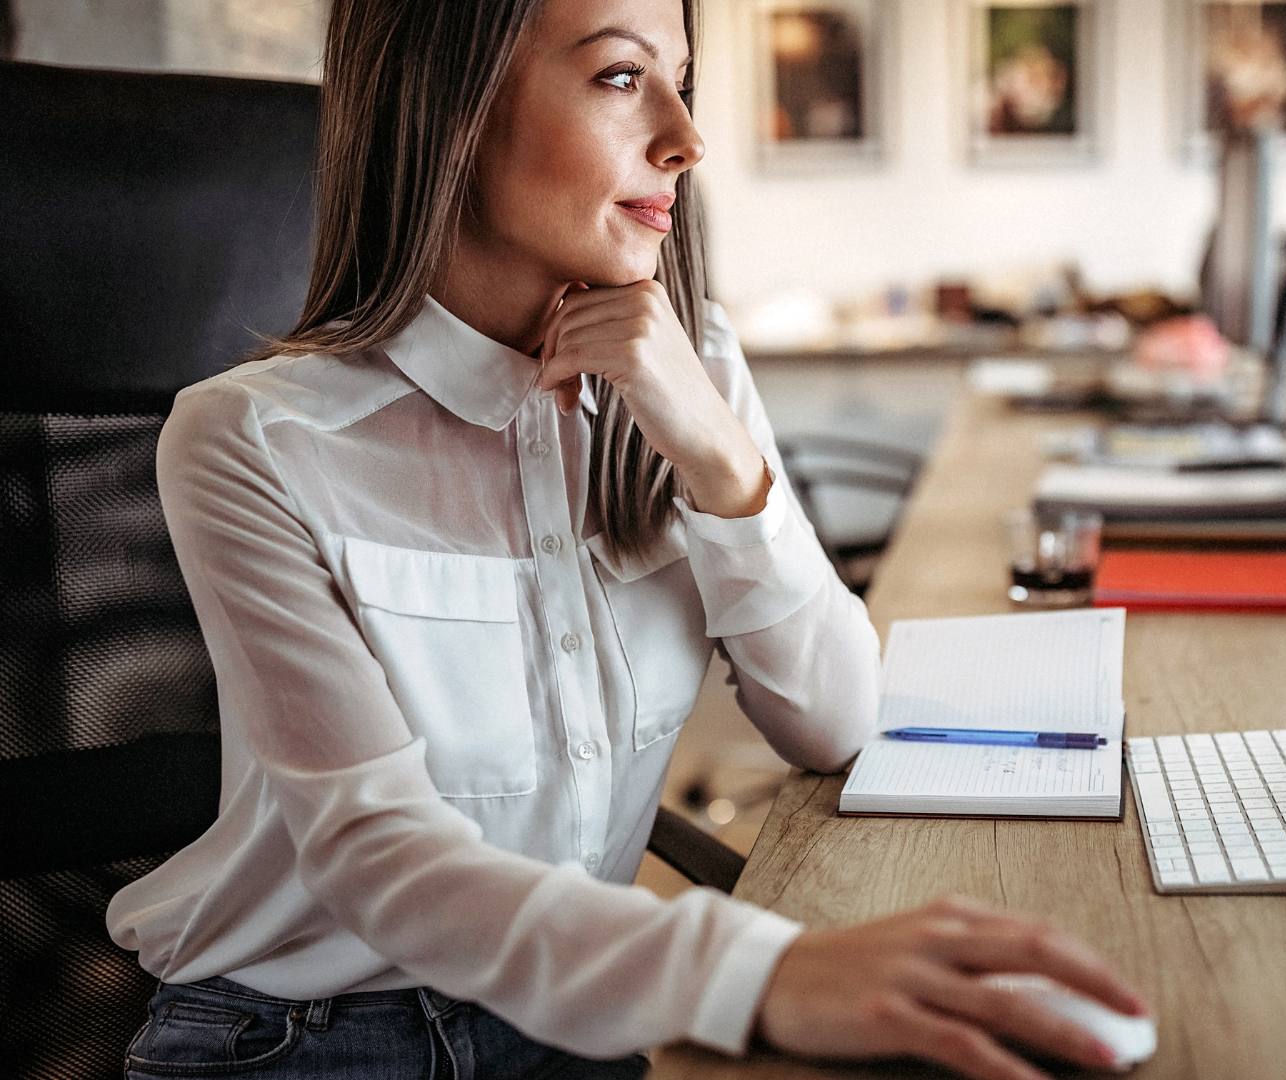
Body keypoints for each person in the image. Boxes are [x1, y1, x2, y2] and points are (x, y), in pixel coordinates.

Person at [106, 1, 1150, 1078]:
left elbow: (839, 720)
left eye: (681, 81)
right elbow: (380, 862)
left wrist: (715, 448)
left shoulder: (684, 362)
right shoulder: (255, 441)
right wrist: (757, 974)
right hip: (303, 1043)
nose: (686, 137)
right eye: (619, 77)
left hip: (576, 1019)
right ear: (450, 110)